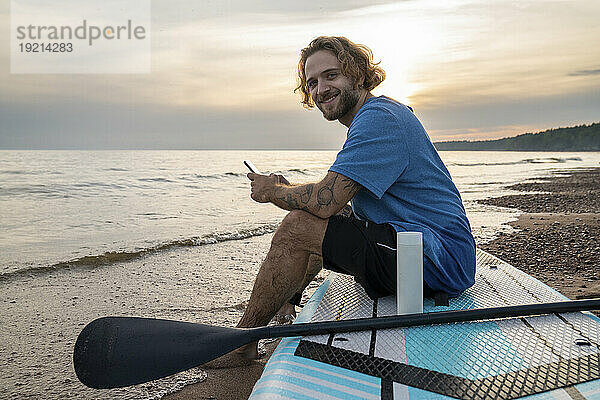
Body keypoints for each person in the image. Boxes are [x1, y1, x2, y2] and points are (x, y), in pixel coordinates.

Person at [220, 36, 475, 365]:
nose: (321, 89)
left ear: (357, 74)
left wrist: (272, 191)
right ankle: (288, 305)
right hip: (426, 251)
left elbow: (325, 201)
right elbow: (333, 210)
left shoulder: (378, 119)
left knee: (297, 226)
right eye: (312, 83)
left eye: (331, 75)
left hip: (434, 257)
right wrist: (292, 292)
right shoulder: (376, 117)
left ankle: (241, 344)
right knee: (315, 223)